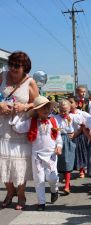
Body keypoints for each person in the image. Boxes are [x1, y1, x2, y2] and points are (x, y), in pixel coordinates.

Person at [0, 51, 39, 210]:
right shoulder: (2, 76)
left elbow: (38, 104)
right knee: (2, 161)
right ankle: (10, 192)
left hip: (20, 128)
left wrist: (25, 106)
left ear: (25, 67)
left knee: (20, 163)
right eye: (11, 64)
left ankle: (21, 194)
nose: (13, 68)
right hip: (2, 127)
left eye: (17, 65)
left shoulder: (30, 82)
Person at [10, 96, 62, 211]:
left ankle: (54, 189)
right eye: (42, 108)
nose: (45, 110)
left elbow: (58, 137)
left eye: (47, 107)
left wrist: (59, 146)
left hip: (51, 155)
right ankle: (41, 202)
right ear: (37, 110)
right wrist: (20, 115)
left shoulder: (53, 120)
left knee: (52, 177)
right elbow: (17, 128)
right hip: (37, 155)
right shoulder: (31, 122)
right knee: (39, 179)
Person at [55, 99, 77, 195]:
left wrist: (75, 133)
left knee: (67, 162)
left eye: (66, 110)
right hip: (57, 140)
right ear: (58, 109)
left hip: (68, 139)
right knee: (59, 163)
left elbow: (85, 123)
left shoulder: (73, 117)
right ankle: (59, 183)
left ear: (70, 109)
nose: (64, 112)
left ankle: (67, 185)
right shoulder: (55, 118)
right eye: (61, 110)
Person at [68, 97, 91, 179]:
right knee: (70, 154)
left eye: (71, 102)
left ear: (77, 104)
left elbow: (88, 121)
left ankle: (81, 169)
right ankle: (69, 171)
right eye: (68, 102)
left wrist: (80, 131)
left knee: (81, 153)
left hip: (80, 136)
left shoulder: (82, 113)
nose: (69, 104)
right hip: (70, 136)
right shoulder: (65, 114)